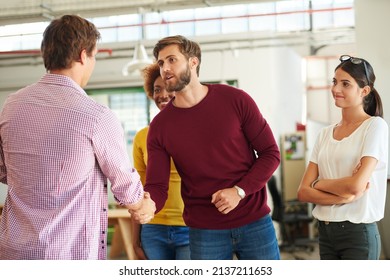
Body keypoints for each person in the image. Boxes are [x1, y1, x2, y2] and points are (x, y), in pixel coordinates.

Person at [0, 15, 155, 260]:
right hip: (67, 254)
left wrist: (37, 183)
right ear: (83, 55)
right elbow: (125, 186)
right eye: (94, 56)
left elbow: (2, 168)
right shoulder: (96, 116)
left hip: (12, 253)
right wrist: (143, 206)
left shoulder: (11, 106)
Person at [133, 35, 281, 260]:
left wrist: (239, 191)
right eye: (161, 63)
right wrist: (149, 205)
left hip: (255, 223)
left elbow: (271, 154)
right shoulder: (160, 127)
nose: (165, 68)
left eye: (172, 60)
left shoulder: (236, 100)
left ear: (193, 62)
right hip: (204, 231)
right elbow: (157, 185)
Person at [297, 55, 388, 260]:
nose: (336, 89)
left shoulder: (375, 127)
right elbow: (303, 192)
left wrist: (319, 183)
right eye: (335, 82)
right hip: (326, 233)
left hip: (357, 234)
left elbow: (356, 186)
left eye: (345, 84)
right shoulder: (324, 134)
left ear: (364, 91)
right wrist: (340, 197)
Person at [131, 63, 190, 260]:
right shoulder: (142, 137)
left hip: (191, 227)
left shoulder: (197, 130)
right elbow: (138, 190)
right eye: (157, 89)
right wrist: (134, 238)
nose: (162, 95)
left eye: (168, 87)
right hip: (153, 229)